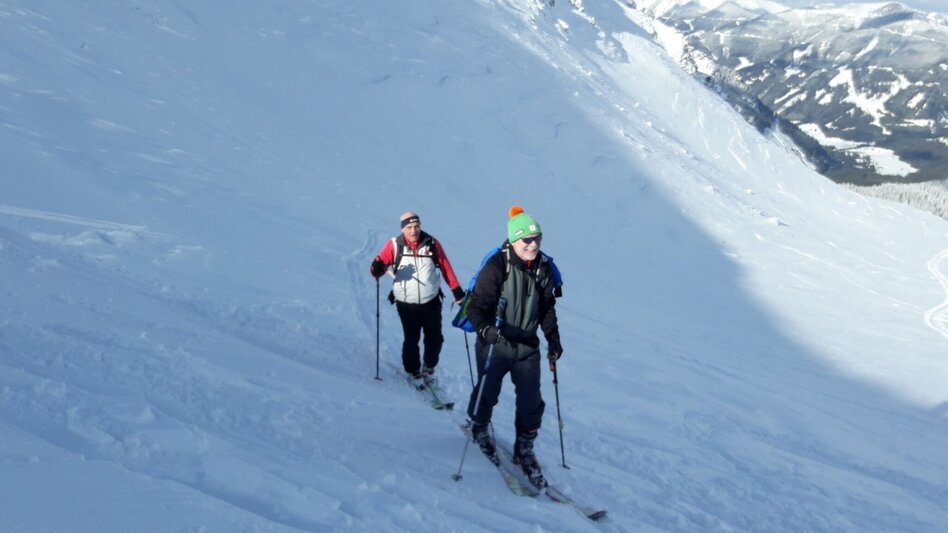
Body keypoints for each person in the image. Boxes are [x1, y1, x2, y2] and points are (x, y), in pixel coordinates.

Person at [465, 206, 563, 487]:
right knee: (487, 392)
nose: (534, 244)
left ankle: (525, 445)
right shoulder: (497, 265)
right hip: (495, 342)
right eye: (527, 240)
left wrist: (553, 340)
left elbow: (547, 309)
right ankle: (480, 428)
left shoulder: (543, 267)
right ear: (513, 240)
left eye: (537, 238)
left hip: (526, 346)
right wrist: (485, 329)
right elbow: (477, 306)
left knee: (532, 401)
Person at [370, 212, 466, 387]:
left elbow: (445, 267)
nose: (414, 230)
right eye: (409, 227)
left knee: (435, 338)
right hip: (406, 303)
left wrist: (457, 291)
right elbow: (379, 267)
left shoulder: (432, 244)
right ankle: (413, 372)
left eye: (416, 226)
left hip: (431, 301)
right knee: (411, 338)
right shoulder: (394, 245)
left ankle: (429, 368)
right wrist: (377, 268)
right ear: (403, 229)